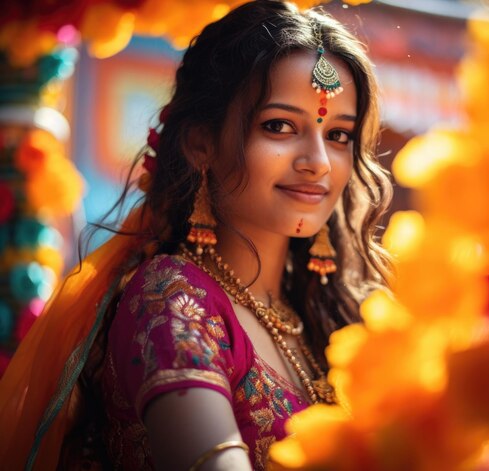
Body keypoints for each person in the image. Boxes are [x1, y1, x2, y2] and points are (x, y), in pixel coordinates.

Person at [0, 0, 392, 469]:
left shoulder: (327, 315)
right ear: (201, 144)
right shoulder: (174, 298)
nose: (319, 162)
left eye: (339, 135)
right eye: (280, 126)